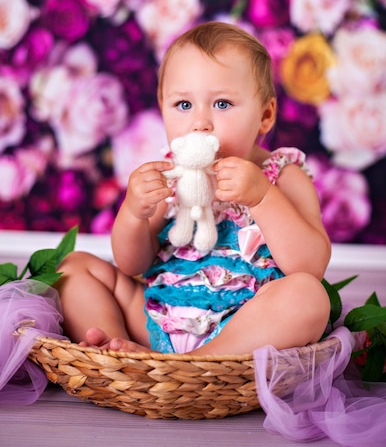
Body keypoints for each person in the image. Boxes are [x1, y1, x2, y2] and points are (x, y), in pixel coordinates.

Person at [56, 21, 331, 356]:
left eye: (222, 104)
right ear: (163, 109)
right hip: (158, 319)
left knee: (309, 296)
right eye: (184, 105)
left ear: (265, 114)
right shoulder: (169, 174)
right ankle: (117, 351)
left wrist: (262, 197)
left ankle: (198, 362)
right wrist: (133, 213)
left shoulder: (282, 175)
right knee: (73, 268)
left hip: (243, 328)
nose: (201, 122)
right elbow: (132, 264)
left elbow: (310, 266)